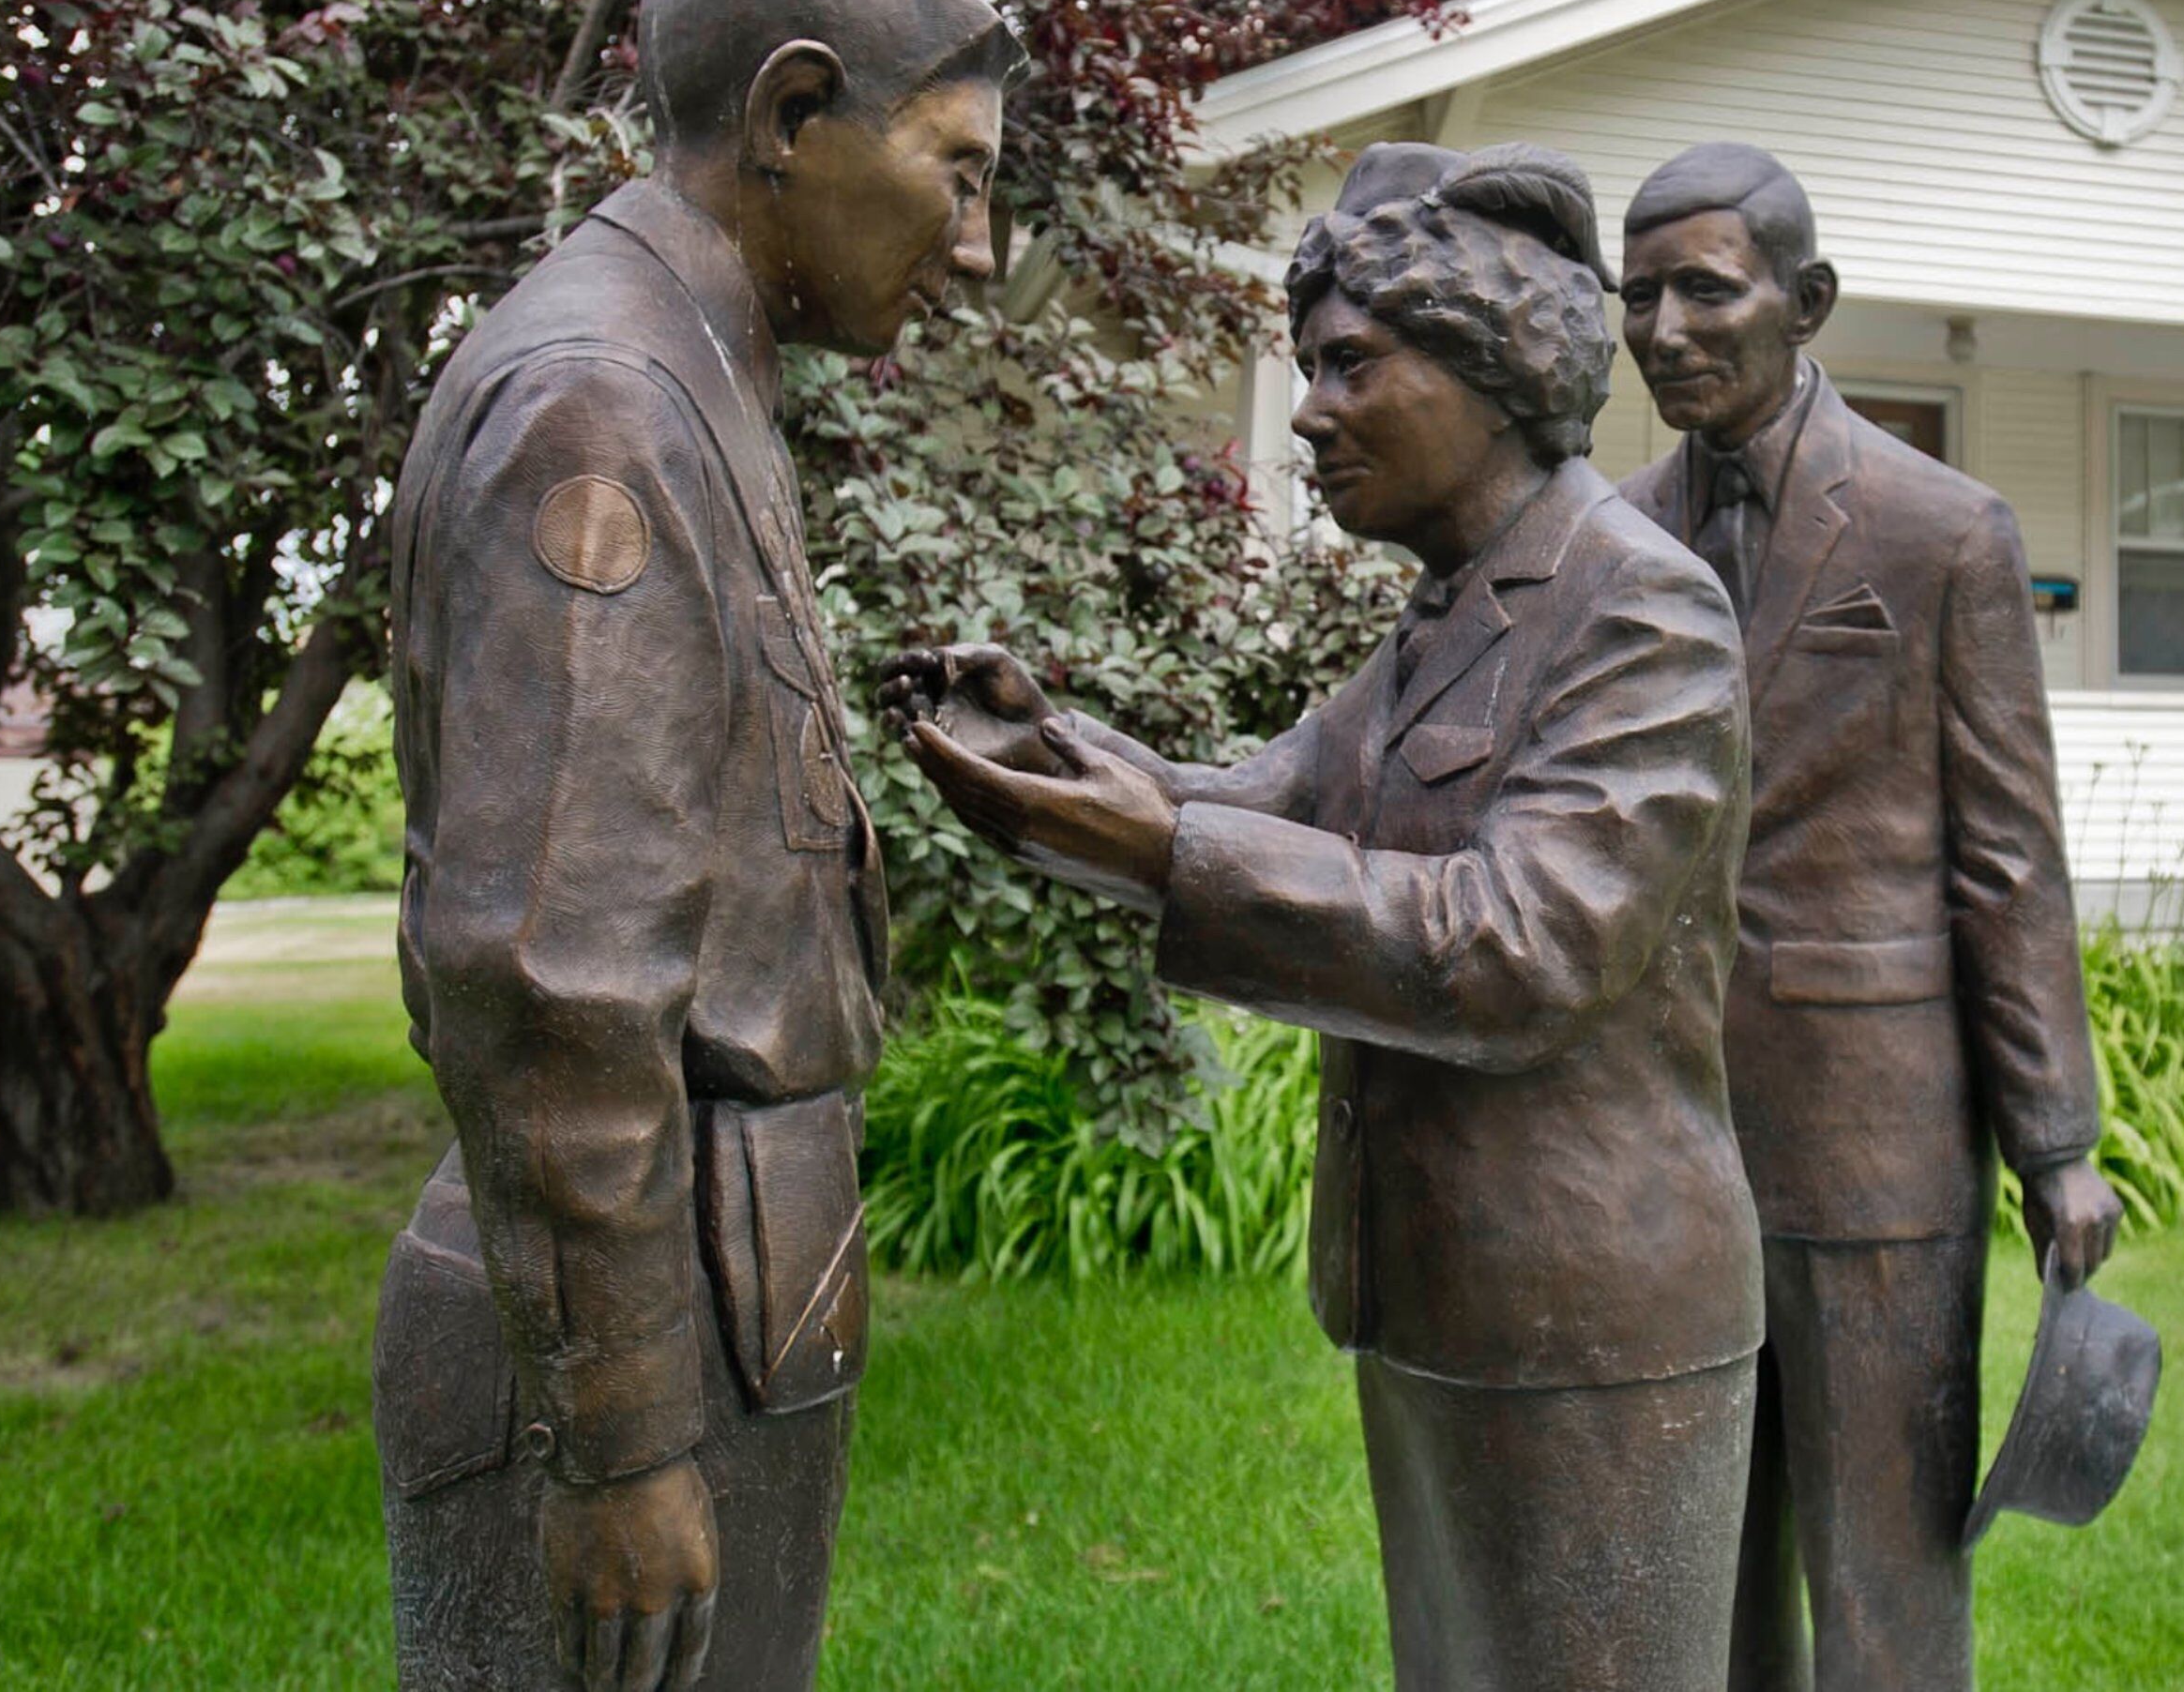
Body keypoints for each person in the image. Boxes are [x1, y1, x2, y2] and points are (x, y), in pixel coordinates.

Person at [883, 142, 1765, 1692]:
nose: (1308, 413)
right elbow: (1264, 799)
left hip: (1594, 1322)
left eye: (1351, 365)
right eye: (1307, 369)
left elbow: (1526, 944)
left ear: (1493, 364)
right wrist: (1056, 757)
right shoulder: (1452, 609)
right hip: (1445, 1299)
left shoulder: (1641, 605)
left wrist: (1160, 853)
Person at [374, 0, 1016, 1692]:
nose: (976, 246)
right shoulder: (608, 404)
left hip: (732, 1280)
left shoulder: (684, 369)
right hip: (652, 1329)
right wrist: (626, 1432)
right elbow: (549, 970)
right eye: (956, 172)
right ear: (792, 116)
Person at [1614, 142, 2119, 1692]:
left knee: (1885, 1557)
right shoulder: (1612, 534)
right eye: (1638, 295)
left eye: (1706, 288)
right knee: (1708, 1541)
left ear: (1806, 300)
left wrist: (2056, 1142)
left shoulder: (1939, 530)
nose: (1663, 327)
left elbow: (2008, 859)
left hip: (1876, 1130)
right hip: (1661, 1128)